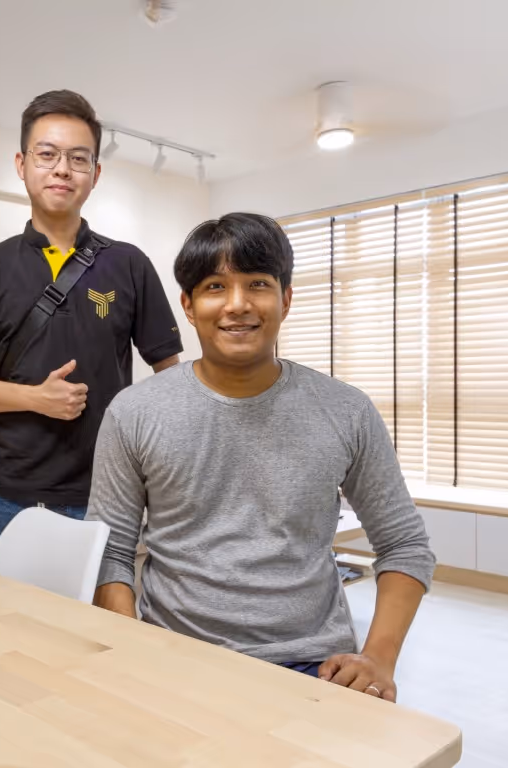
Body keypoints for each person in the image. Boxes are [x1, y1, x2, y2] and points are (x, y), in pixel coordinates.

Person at [86, 213, 435, 701]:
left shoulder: (346, 410)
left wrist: (378, 658)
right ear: (188, 305)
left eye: (258, 284)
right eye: (215, 286)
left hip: (314, 665)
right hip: (173, 656)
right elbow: (111, 551)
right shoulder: (135, 412)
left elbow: (404, 544)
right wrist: (133, 649)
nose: (237, 304)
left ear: (286, 299)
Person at [0, 90, 182, 566]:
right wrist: (36, 398)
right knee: (4, 614)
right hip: (4, 498)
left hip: (105, 497)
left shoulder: (129, 264)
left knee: (102, 617)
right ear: (22, 164)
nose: (62, 169)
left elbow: (170, 377)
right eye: (47, 154)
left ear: (96, 173)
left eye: (78, 158)